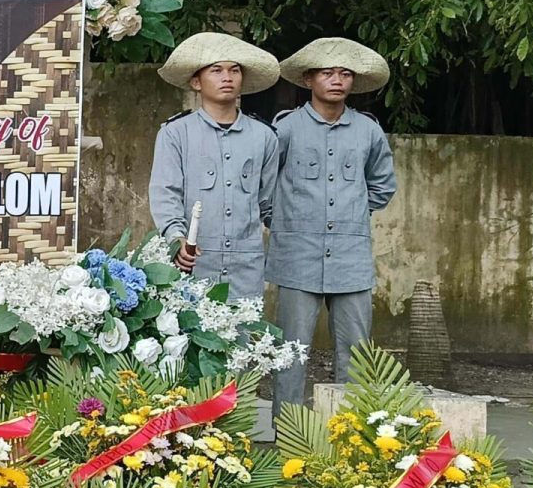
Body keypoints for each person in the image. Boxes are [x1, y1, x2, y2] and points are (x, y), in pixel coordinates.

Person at [267, 38, 398, 413]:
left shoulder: (368, 131)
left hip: (350, 258)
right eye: (327, 73)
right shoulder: (286, 129)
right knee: (291, 351)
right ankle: (287, 432)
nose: (337, 80)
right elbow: (265, 185)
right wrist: (286, 223)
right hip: (296, 257)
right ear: (309, 79)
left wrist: (352, 215)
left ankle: (349, 434)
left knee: (356, 352)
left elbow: (383, 184)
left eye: (344, 74)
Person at [148, 31, 282, 301]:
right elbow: (165, 193)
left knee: (244, 338)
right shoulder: (175, 133)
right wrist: (177, 238)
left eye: (234, 71)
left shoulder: (264, 136)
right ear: (196, 82)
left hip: (246, 266)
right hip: (193, 262)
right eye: (216, 70)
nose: (227, 77)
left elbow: (267, 200)